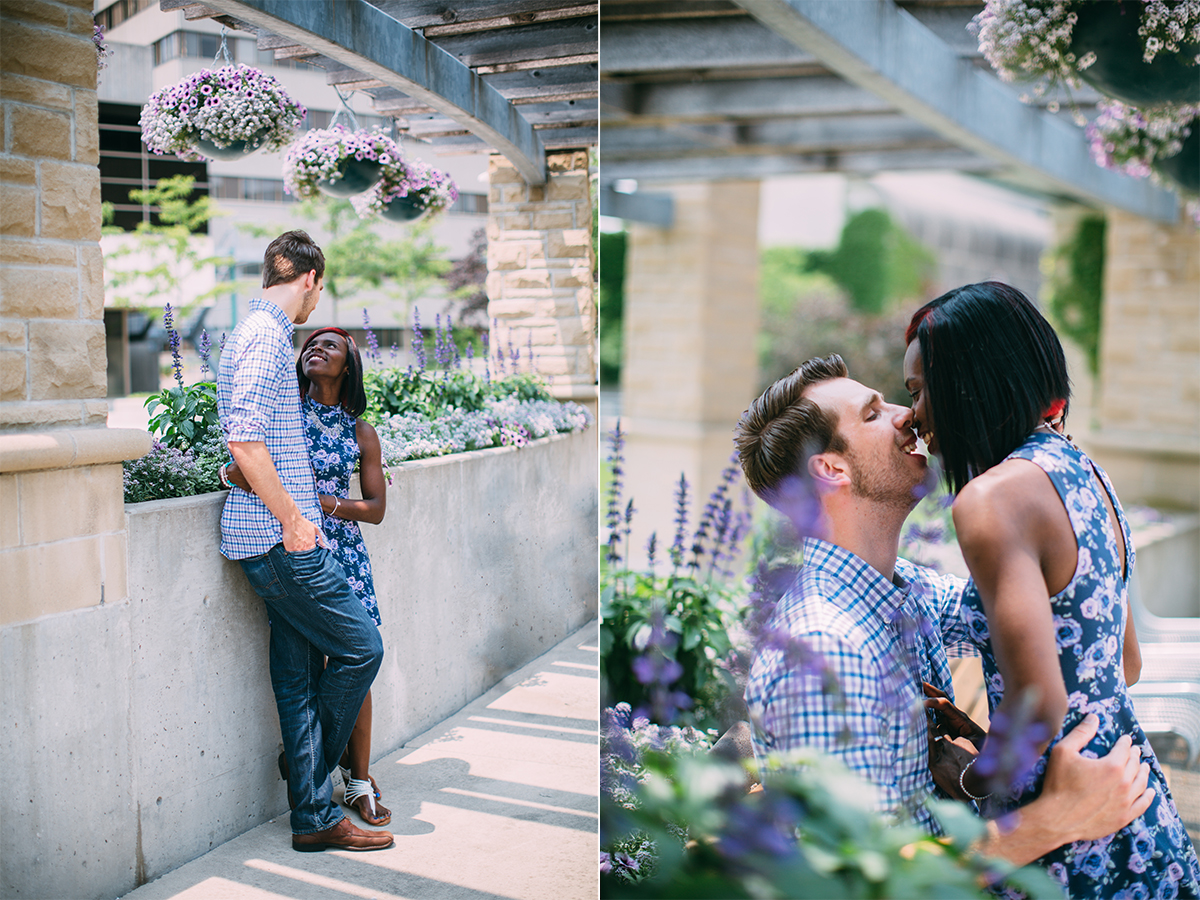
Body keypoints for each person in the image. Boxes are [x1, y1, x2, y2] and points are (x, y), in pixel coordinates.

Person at [734, 354, 1155, 869]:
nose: (906, 415)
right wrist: (1057, 819)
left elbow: (1064, 609)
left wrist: (1034, 433)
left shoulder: (904, 588)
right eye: (872, 413)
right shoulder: (825, 652)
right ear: (831, 469)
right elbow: (868, 878)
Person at [903, 282, 1199, 896]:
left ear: (969, 381)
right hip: (1138, 813)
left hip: (1067, 842)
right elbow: (1126, 663)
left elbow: (1039, 702)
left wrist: (974, 782)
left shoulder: (991, 500)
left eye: (920, 390)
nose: (915, 416)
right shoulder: (1083, 470)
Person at [216, 230, 392, 852]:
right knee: (361, 648)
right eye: (320, 292)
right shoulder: (267, 336)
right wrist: (294, 519)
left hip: (263, 537)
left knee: (295, 680)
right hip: (279, 540)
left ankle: (313, 815)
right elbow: (243, 439)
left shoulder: (250, 330)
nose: (317, 308)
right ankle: (310, 771)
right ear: (311, 279)